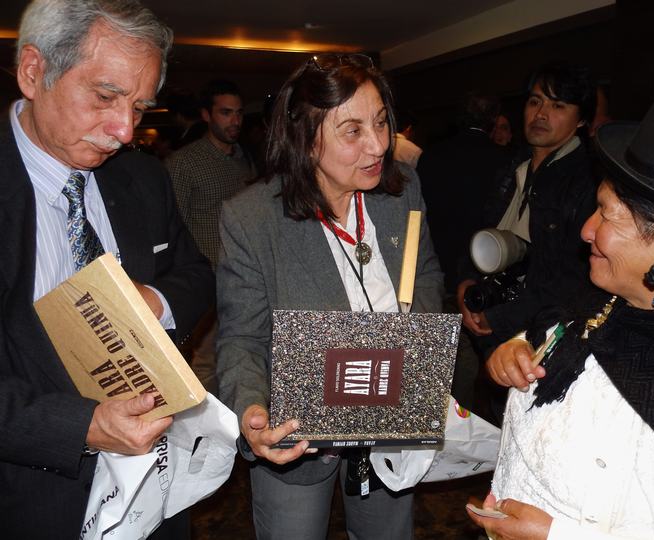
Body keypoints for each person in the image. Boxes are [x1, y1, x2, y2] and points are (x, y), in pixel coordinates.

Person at [1, 1, 214, 538]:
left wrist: (153, 304)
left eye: (139, 108)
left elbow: (195, 274)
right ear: (33, 72)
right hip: (27, 496)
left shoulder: (142, 178)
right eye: (104, 96)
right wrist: (82, 426)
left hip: (153, 492)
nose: (124, 130)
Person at [471, 85, 654, 538]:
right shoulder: (597, 302)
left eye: (607, 214)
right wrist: (513, 350)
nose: (586, 230)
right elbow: (547, 336)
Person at [216, 53, 443, 539]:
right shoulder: (252, 218)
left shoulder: (401, 192)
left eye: (381, 123)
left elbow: (425, 275)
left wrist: (416, 352)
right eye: (352, 131)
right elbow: (241, 338)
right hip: (298, 435)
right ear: (305, 137)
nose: (378, 145)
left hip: (391, 420)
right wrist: (253, 413)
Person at [457, 62, 598, 344]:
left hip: (541, 333)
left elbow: (574, 280)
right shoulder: (512, 165)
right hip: (491, 309)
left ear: (581, 120)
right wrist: (466, 282)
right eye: (535, 101)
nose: (541, 114)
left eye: (558, 106)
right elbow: (483, 227)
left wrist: (502, 318)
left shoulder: (587, 181)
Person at [166, 79, 256, 393]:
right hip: (207, 280)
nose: (235, 121)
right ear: (206, 115)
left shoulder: (245, 159)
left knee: (241, 352)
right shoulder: (184, 162)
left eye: (239, 113)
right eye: (226, 113)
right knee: (204, 361)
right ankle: (205, 422)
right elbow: (171, 227)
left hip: (244, 278)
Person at [418, 93, 512, 294]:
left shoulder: (431, 156)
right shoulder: (503, 161)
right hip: (482, 267)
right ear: (493, 120)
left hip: (436, 265)